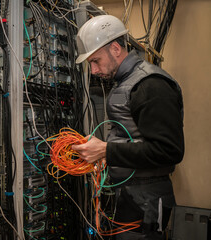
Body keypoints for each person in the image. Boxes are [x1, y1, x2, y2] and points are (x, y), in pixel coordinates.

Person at [72, 15, 184, 240]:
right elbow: (134, 137)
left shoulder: (150, 85)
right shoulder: (127, 82)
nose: (93, 71)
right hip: (134, 196)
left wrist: (106, 150)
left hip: (147, 200)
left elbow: (169, 150)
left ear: (115, 48)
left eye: (96, 61)